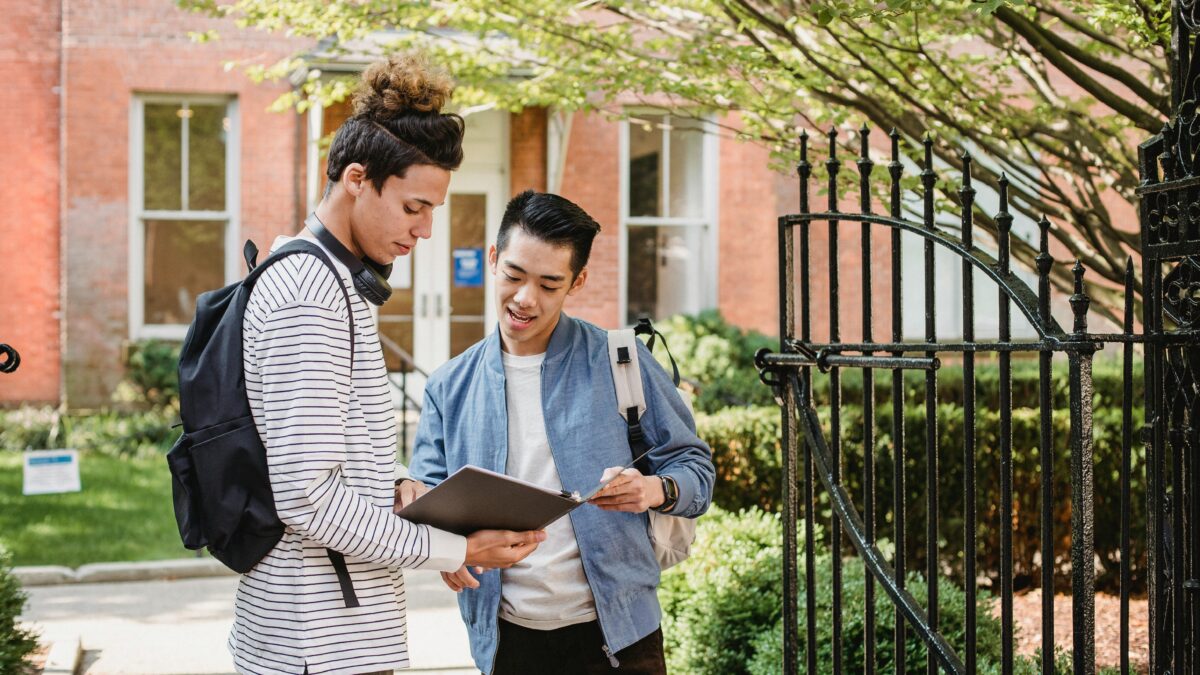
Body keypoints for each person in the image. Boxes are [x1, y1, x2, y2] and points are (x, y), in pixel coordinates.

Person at [230, 55, 544, 675]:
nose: (426, 230)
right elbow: (307, 496)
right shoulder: (309, 294)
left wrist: (395, 483)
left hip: (331, 635)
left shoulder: (327, 279)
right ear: (357, 178)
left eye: (433, 211)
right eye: (413, 207)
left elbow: (323, 458)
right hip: (316, 645)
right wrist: (451, 545)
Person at [405, 190, 715, 674]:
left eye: (550, 284)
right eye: (513, 275)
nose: (525, 299)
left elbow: (696, 469)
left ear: (578, 281)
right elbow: (428, 499)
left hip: (619, 637)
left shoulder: (622, 360)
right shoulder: (450, 384)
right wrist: (444, 549)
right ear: (493, 258)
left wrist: (653, 488)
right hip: (505, 641)